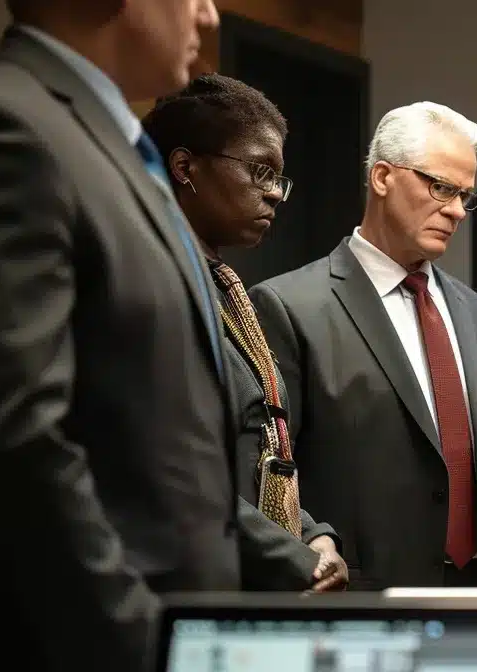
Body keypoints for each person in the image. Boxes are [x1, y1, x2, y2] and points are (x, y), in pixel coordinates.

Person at [0, 1, 228, 670]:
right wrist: (150, 646)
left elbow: (156, 450)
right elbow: (12, 449)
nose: (208, 14)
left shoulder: (118, 153)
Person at [251, 102, 477, 589]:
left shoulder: (476, 312)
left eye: (466, 197)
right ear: (384, 177)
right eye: (441, 188)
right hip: (361, 596)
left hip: (476, 592)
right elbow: (269, 474)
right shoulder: (291, 307)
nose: (456, 210)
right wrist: (312, 546)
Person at [142, 73, 348, 592]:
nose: (275, 193)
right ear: (185, 168)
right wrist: (292, 556)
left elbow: (261, 451)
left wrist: (314, 536)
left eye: (279, 177)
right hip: (189, 589)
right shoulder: (157, 288)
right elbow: (176, 473)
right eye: (260, 171)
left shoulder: (226, 291)